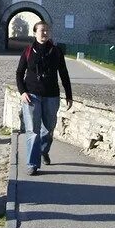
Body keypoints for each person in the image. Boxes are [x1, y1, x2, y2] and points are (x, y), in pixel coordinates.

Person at [15, 20, 73, 176]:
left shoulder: (56, 51)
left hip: (52, 95)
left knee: (48, 128)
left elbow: (64, 73)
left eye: (47, 30)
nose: (45, 33)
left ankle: (43, 150)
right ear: (35, 33)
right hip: (32, 96)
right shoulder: (28, 51)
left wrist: (69, 94)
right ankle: (32, 164)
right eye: (42, 30)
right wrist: (22, 92)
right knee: (33, 130)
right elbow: (19, 73)